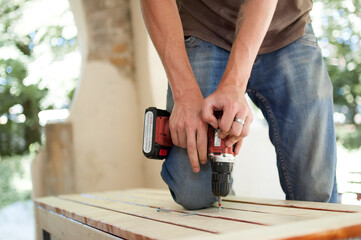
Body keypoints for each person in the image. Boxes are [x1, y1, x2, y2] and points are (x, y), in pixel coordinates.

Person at [140, 0, 338, 209]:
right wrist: (184, 93)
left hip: (287, 29)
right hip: (204, 25)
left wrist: (234, 84)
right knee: (194, 193)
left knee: (315, 193)